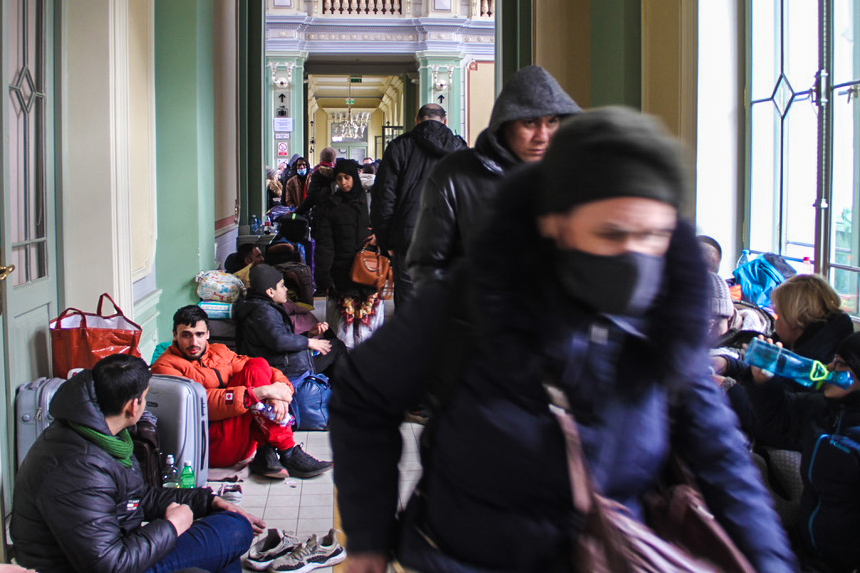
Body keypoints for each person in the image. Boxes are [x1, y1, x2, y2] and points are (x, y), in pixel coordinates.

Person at [329, 107, 796, 572]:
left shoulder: (665, 322)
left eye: (652, 234)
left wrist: (771, 562)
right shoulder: (474, 299)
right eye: (611, 233)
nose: (635, 256)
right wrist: (368, 538)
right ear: (557, 221)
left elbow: (721, 457)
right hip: (462, 556)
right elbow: (363, 394)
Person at [11, 354, 262, 573]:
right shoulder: (80, 466)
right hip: (93, 566)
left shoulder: (101, 434)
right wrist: (172, 526)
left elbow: (136, 496)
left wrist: (205, 501)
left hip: (117, 551)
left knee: (222, 534)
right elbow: (110, 565)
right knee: (233, 530)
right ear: (134, 405)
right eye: (145, 397)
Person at [406, 65, 582, 290]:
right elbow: (428, 265)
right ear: (505, 123)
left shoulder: (579, 174)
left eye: (552, 122)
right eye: (529, 123)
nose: (542, 136)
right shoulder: (455, 174)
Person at [151, 305, 332, 479]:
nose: (194, 342)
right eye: (186, 335)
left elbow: (263, 370)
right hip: (207, 445)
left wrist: (280, 392)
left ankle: (266, 451)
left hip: (237, 436)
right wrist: (260, 392)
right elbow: (200, 403)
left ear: (207, 334)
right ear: (175, 335)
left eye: (199, 334)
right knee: (255, 387)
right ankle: (287, 450)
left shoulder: (218, 351)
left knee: (257, 364)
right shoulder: (165, 366)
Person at [746, 332, 860, 571]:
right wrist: (766, 383)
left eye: (840, 363)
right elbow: (780, 420)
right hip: (806, 545)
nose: (829, 367)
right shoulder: (826, 409)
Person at [371, 103, 467, 308]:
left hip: (409, 239)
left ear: (416, 121)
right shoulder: (460, 149)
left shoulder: (399, 146)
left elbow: (384, 198)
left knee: (409, 305)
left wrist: (386, 240)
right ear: (445, 121)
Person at [314, 158, 382, 348]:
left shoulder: (370, 200)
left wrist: (379, 236)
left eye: (347, 177)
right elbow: (325, 244)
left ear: (355, 177)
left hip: (368, 270)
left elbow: (387, 223)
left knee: (369, 323)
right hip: (342, 272)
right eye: (339, 179)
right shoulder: (330, 205)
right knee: (345, 327)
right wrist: (323, 277)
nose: (343, 182)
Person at [233, 263, 346, 379]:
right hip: (280, 368)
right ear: (270, 292)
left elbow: (278, 337)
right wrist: (308, 342)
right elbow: (278, 340)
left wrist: (309, 334)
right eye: (282, 286)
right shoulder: (264, 311)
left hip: (277, 362)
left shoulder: (257, 306)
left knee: (328, 344)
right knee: (337, 347)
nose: (286, 289)